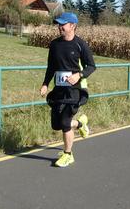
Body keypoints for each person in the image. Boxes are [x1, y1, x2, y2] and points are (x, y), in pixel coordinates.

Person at [40, 12, 96, 167]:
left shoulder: (80, 44)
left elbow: (91, 66)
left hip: (74, 90)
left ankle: (68, 154)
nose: (60, 27)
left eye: (63, 24)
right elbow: (51, 67)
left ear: (72, 26)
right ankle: (79, 124)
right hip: (58, 90)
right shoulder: (54, 44)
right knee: (56, 125)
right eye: (59, 24)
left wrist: (79, 75)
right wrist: (45, 83)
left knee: (65, 122)